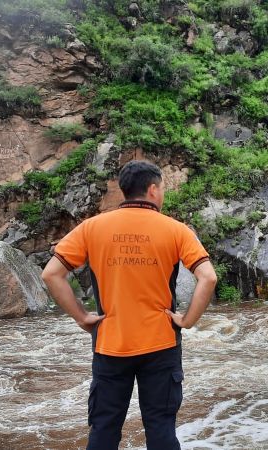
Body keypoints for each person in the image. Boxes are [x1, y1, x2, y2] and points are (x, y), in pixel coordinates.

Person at [41, 160, 217, 450]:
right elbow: (208, 278)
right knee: (160, 427)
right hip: (161, 344)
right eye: (162, 188)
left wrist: (82, 317)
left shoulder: (92, 228)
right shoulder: (176, 230)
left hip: (110, 343)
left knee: (104, 428)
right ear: (151, 189)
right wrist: (186, 321)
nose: (162, 194)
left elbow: (51, 274)